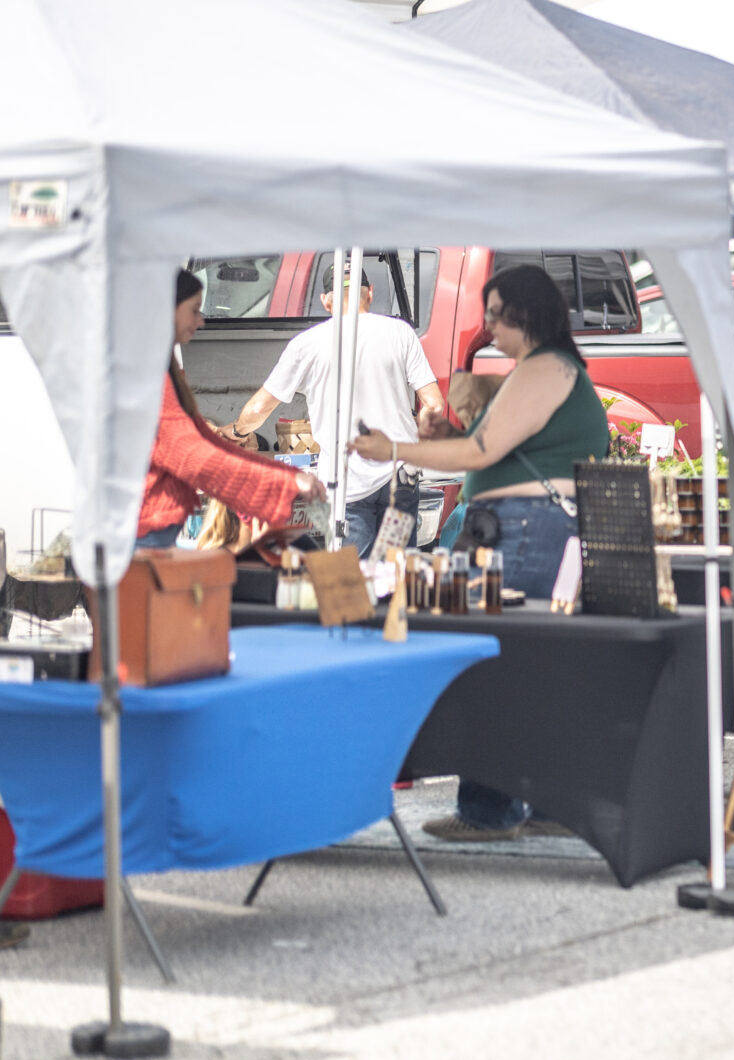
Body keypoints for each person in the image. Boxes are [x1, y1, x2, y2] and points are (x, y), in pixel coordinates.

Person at [351, 264, 610, 839]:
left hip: (526, 529)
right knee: (527, 667)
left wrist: (394, 449)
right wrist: (445, 439)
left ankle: (491, 809)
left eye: (497, 315)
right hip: (527, 526)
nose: (488, 326)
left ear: (527, 314)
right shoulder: (545, 370)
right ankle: (545, 804)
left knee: (499, 667)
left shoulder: (544, 369)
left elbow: (479, 454)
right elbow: (488, 449)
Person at [224, 261, 442, 558]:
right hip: (400, 478)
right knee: (396, 567)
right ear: (370, 293)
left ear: (326, 300)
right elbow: (434, 404)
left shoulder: (306, 344)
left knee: (355, 571)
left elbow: (261, 407)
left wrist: (237, 431)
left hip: (347, 485)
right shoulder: (401, 333)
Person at [144, 271, 321, 550]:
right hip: (144, 529)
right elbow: (195, 454)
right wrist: (286, 480)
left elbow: (206, 440)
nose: (200, 321)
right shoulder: (149, 376)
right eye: (194, 310)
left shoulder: (165, 367)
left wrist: (284, 475)